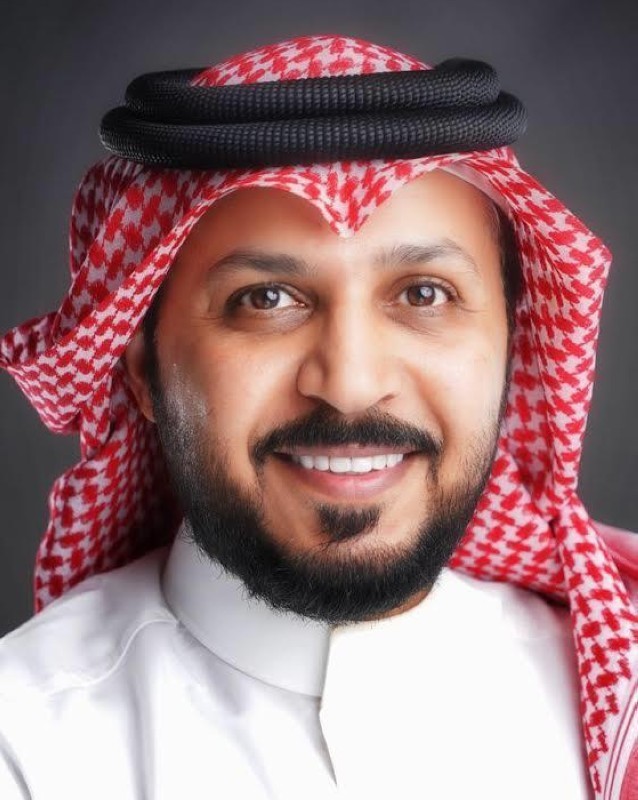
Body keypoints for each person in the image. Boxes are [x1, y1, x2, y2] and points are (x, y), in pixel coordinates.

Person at [0, 33, 636, 800]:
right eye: (266, 299)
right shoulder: (26, 746)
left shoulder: (622, 697)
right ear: (142, 367)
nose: (351, 385)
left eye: (424, 294)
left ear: (513, 343)